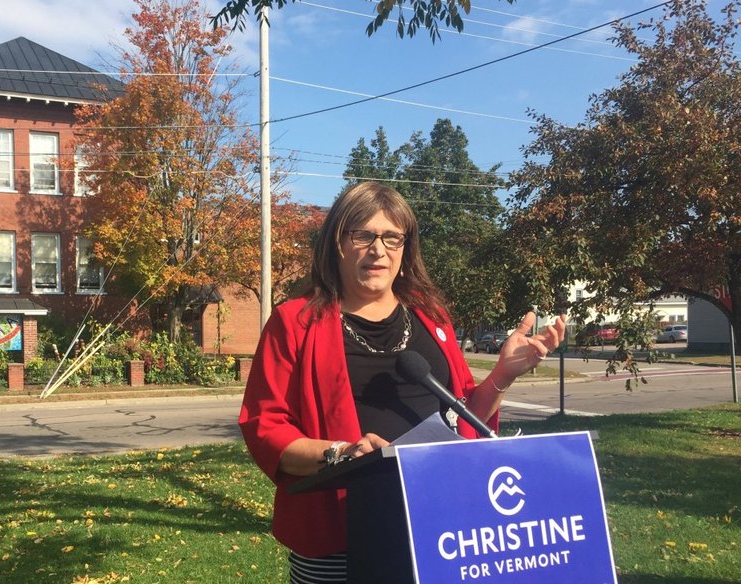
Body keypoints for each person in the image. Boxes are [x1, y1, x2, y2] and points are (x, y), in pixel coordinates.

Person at [238, 181, 566, 583]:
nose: (379, 250)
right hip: (339, 533)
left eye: (392, 237)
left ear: (406, 250)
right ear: (336, 243)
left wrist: (502, 374)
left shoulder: (432, 317)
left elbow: (464, 419)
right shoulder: (295, 322)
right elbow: (265, 426)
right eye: (363, 235)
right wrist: (339, 452)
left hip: (438, 525)